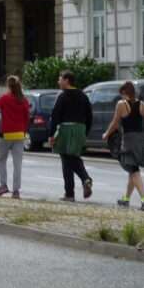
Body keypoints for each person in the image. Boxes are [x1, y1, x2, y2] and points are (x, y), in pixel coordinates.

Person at [103, 81, 144, 211]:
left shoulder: (121, 105)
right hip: (140, 140)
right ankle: (126, 199)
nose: (121, 97)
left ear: (124, 92)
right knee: (132, 170)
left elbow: (115, 123)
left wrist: (106, 134)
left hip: (129, 140)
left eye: (121, 94)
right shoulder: (142, 105)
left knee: (133, 170)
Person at [48, 70, 94, 202]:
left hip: (66, 128)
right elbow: (90, 115)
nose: (58, 81)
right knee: (73, 157)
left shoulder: (62, 96)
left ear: (67, 80)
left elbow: (55, 116)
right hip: (80, 128)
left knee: (66, 158)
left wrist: (51, 135)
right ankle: (78, 186)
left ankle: (73, 190)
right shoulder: (83, 96)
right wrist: (85, 132)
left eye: (60, 79)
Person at [0, 75, 31, 199]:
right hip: (19, 135)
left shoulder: (4, 98)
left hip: (5, 134)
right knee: (17, 163)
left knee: (1, 160)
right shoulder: (24, 100)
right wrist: (24, 130)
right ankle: (16, 191)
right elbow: (27, 117)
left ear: (8, 86)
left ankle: (3, 185)